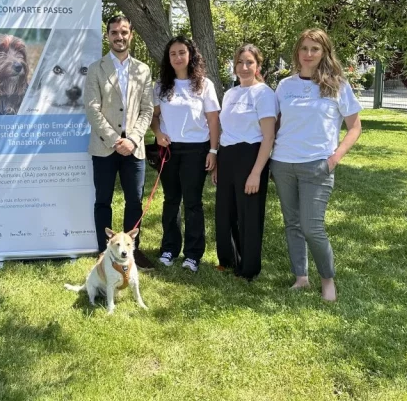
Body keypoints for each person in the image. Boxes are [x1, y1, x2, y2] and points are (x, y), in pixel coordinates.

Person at [270, 28, 362, 301]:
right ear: (297, 52)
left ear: (324, 52)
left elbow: (355, 127)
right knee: (293, 224)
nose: (308, 54)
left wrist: (335, 158)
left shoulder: (337, 85)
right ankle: (301, 277)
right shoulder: (285, 86)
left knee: (313, 227)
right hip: (283, 164)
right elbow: (274, 123)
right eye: (304, 48)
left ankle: (327, 280)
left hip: (317, 166)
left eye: (315, 49)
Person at [84, 15, 155, 269]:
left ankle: (132, 251)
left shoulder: (143, 70)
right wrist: (116, 141)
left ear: (131, 35)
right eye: (114, 32)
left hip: (134, 149)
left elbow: (147, 109)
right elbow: (92, 109)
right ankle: (104, 252)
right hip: (104, 147)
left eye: (124, 32)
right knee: (103, 200)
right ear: (108, 36)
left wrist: (133, 139)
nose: (119, 37)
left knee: (134, 201)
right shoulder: (96, 69)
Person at [151, 36, 220, 272]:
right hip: (169, 150)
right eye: (173, 54)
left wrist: (213, 150)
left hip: (196, 150)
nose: (178, 57)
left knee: (192, 203)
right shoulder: (161, 86)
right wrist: (158, 133)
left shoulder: (203, 85)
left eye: (182, 52)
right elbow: (154, 116)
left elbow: (213, 120)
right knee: (171, 200)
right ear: (168, 59)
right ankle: (169, 249)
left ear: (190, 55)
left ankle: (192, 254)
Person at [213, 44, 276, 280]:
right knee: (225, 212)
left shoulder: (264, 94)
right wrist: (219, 163)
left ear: (258, 66)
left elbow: (268, 137)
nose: (244, 67)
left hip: (251, 156)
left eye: (250, 62)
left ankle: (248, 267)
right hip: (227, 155)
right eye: (240, 62)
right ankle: (227, 260)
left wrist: (256, 173)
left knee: (248, 214)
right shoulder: (230, 94)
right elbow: (223, 130)